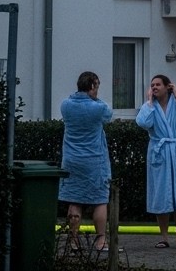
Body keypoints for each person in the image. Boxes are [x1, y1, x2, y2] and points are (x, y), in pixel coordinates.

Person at [136, 73, 176, 249]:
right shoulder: (150, 106)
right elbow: (142, 122)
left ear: (167, 87)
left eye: (158, 85)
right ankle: (164, 237)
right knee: (161, 194)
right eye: (152, 85)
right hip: (159, 153)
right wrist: (149, 102)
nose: (154, 87)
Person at [58, 71, 112, 252]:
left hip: (71, 160)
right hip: (94, 161)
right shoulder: (99, 108)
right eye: (97, 86)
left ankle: (73, 242)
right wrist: (95, 99)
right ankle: (100, 241)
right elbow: (108, 115)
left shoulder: (66, 105)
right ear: (92, 86)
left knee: (74, 200)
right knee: (100, 200)